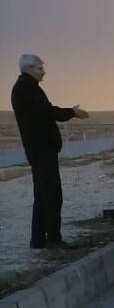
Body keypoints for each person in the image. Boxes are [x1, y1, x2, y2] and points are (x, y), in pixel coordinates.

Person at [10, 54, 90, 249]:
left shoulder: (27, 87)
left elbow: (45, 112)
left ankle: (38, 239)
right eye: (40, 68)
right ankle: (53, 238)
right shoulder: (26, 88)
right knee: (51, 194)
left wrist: (69, 112)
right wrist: (72, 112)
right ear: (29, 69)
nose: (43, 72)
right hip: (41, 150)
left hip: (40, 149)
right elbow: (48, 112)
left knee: (43, 194)